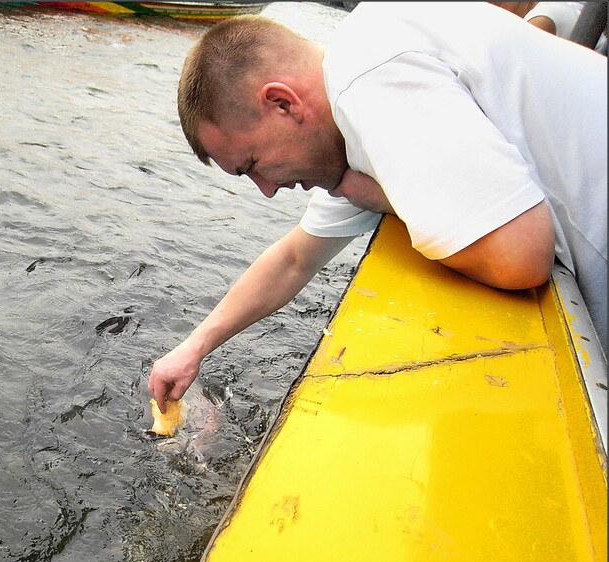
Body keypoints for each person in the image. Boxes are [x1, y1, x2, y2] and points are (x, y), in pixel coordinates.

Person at [148, 2, 607, 412]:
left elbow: (521, 257)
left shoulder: (369, 76)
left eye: (252, 164)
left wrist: (370, 194)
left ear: (282, 102)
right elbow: (293, 260)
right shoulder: (359, 101)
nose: (266, 189)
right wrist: (193, 349)